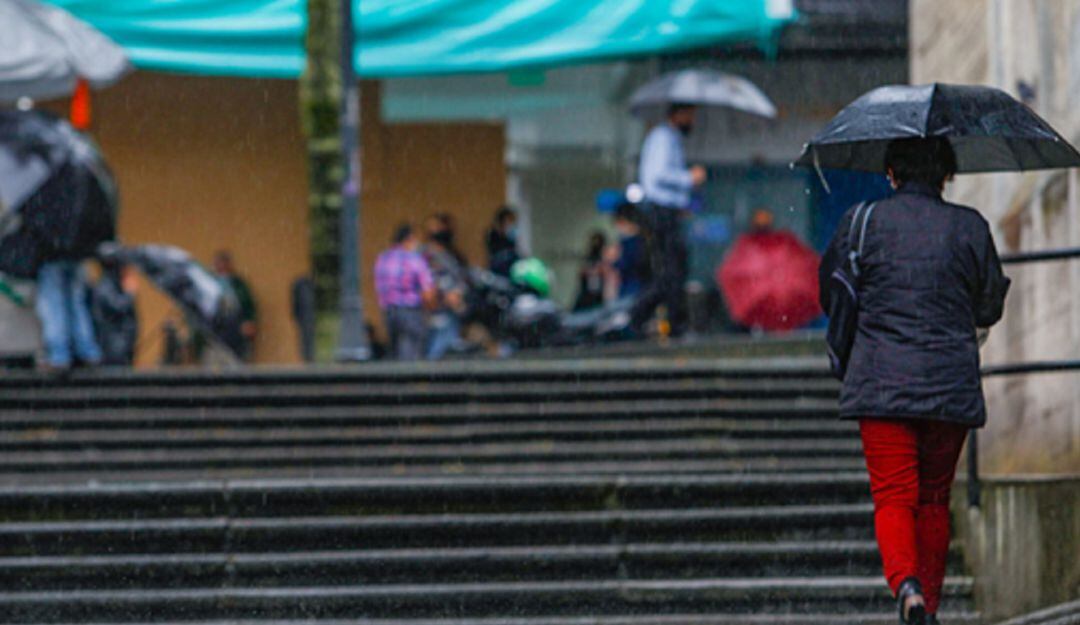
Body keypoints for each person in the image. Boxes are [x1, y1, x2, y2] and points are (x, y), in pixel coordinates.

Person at [820, 137, 1010, 625]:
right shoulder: (969, 226)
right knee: (933, 499)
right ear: (947, 175)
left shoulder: (861, 223)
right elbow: (989, 305)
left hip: (881, 384)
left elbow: (833, 290)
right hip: (948, 385)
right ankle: (931, 601)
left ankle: (908, 590)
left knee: (893, 495)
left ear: (890, 174)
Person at [631, 103, 707, 337]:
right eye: (690, 116)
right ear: (679, 115)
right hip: (660, 212)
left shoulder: (670, 139)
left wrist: (680, 203)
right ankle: (644, 316)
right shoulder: (664, 137)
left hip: (667, 210)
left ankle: (665, 318)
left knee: (674, 268)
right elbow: (658, 175)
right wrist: (688, 178)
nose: (692, 122)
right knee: (672, 269)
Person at [375, 224, 436, 360]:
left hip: (389, 312)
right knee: (412, 354)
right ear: (409, 239)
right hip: (411, 311)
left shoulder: (383, 259)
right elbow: (428, 291)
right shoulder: (414, 259)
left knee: (395, 351)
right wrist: (430, 310)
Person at [34, 258, 102, 371]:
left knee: (54, 303)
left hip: (50, 254)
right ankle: (87, 351)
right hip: (75, 253)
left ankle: (59, 355)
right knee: (76, 302)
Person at [423, 215, 469, 360]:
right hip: (437, 313)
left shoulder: (450, 255)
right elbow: (432, 284)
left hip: (450, 313)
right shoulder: (427, 256)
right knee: (436, 353)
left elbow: (460, 278)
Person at [90, 258, 138, 366]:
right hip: (113, 345)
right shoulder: (105, 286)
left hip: (122, 343)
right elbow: (117, 307)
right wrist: (130, 293)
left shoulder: (116, 285)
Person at [212, 251, 257, 361]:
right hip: (213, 332)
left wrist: (249, 321)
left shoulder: (239, 284)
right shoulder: (209, 282)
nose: (221, 266)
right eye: (218, 263)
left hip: (236, 331)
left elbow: (248, 305)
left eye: (223, 263)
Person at [608, 203, 650, 299]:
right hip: (630, 288)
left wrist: (614, 260)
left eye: (619, 223)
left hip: (634, 290)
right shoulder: (629, 241)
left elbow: (629, 264)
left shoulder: (634, 242)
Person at [572, 231, 608, 311]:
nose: (595, 244)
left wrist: (598, 270)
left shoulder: (604, 255)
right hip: (587, 289)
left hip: (598, 289)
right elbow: (581, 272)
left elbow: (605, 271)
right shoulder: (589, 255)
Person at [486, 206, 521, 277]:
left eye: (513, 222)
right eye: (509, 221)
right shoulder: (493, 235)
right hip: (499, 273)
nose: (511, 225)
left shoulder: (511, 238)